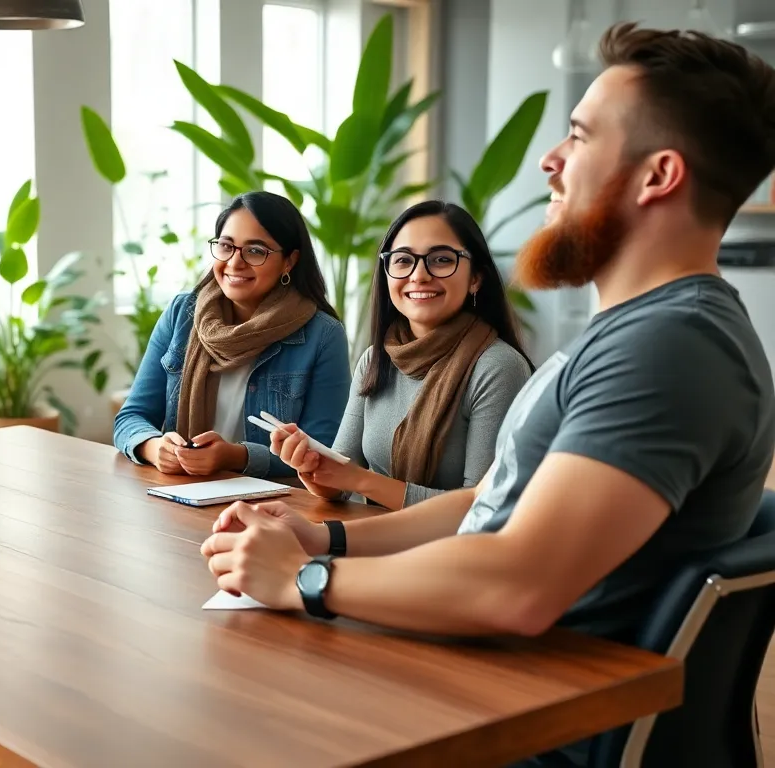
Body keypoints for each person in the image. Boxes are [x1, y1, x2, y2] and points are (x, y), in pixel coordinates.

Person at [204, 23, 775, 766]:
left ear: (657, 175)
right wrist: (325, 539)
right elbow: (487, 502)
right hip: (479, 673)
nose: (550, 160)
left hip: (519, 721)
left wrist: (303, 579)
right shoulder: (636, 333)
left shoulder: (671, 347)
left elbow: (518, 586)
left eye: (579, 136)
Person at [277, 201, 533, 510]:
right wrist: (310, 466)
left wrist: (359, 480)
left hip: (450, 542)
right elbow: (339, 480)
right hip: (373, 533)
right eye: (403, 260)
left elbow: (481, 507)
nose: (419, 275)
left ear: (475, 278)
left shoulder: (498, 367)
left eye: (441, 259)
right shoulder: (375, 360)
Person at [113, 190, 351, 479]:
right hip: (182, 490)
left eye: (256, 251)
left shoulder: (323, 335)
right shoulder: (182, 314)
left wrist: (235, 456)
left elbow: (323, 450)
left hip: (274, 500)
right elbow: (131, 417)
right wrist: (154, 448)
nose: (235, 262)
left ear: (289, 261)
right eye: (226, 246)